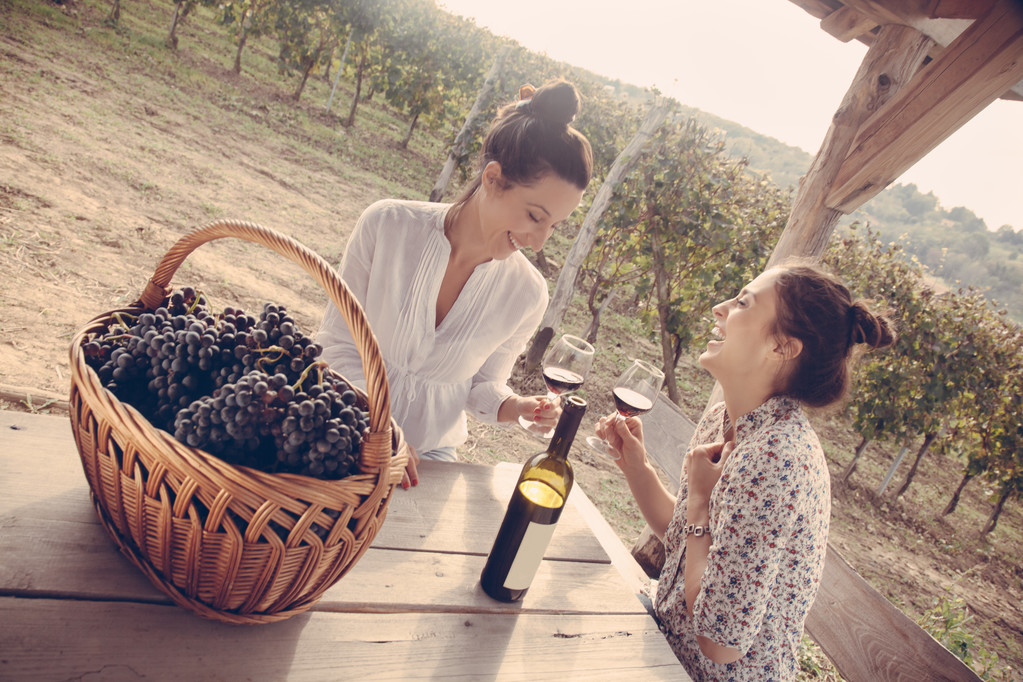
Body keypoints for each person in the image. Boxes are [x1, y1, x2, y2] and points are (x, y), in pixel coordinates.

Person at [595, 263, 896, 680]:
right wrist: (636, 465)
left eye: (742, 302)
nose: (720, 308)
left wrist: (700, 501)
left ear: (782, 347)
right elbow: (687, 539)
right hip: (666, 651)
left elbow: (720, 644)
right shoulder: (729, 419)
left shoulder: (777, 460)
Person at [316, 79, 593, 490]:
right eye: (535, 216)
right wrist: (382, 432)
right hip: (340, 430)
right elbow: (335, 347)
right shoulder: (386, 225)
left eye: (555, 225)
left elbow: (480, 385)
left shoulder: (528, 294)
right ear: (493, 178)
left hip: (429, 461)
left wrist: (514, 405)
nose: (540, 241)